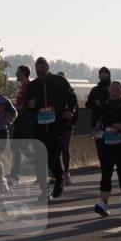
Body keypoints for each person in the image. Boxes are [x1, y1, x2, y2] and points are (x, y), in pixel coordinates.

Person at [28, 57, 78, 199]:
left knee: (54, 157)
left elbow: (72, 98)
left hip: (57, 126)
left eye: (42, 66)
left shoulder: (59, 81)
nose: (40, 69)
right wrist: (29, 105)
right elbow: (26, 104)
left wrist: (71, 111)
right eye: (37, 67)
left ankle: (59, 180)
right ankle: (43, 191)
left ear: (48, 67)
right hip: (40, 127)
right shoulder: (33, 85)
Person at [93, 81, 121, 216]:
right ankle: (104, 203)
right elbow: (99, 122)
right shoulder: (103, 106)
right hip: (106, 143)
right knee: (106, 173)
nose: (115, 91)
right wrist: (96, 131)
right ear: (109, 90)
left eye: (118, 89)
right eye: (113, 89)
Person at [7, 64, 34, 185]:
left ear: (23, 73)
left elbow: (28, 105)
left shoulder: (29, 86)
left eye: (17, 72)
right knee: (16, 148)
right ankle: (15, 174)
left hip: (27, 122)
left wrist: (16, 106)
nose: (16, 74)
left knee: (21, 147)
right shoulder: (23, 86)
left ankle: (43, 167)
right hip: (21, 121)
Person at [57, 71, 77, 184]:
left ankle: (66, 171)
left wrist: (70, 114)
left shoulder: (70, 94)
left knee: (64, 148)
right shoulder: (51, 94)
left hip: (67, 125)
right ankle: (57, 172)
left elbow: (75, 108)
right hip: (55, 125)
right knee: (55, 149)